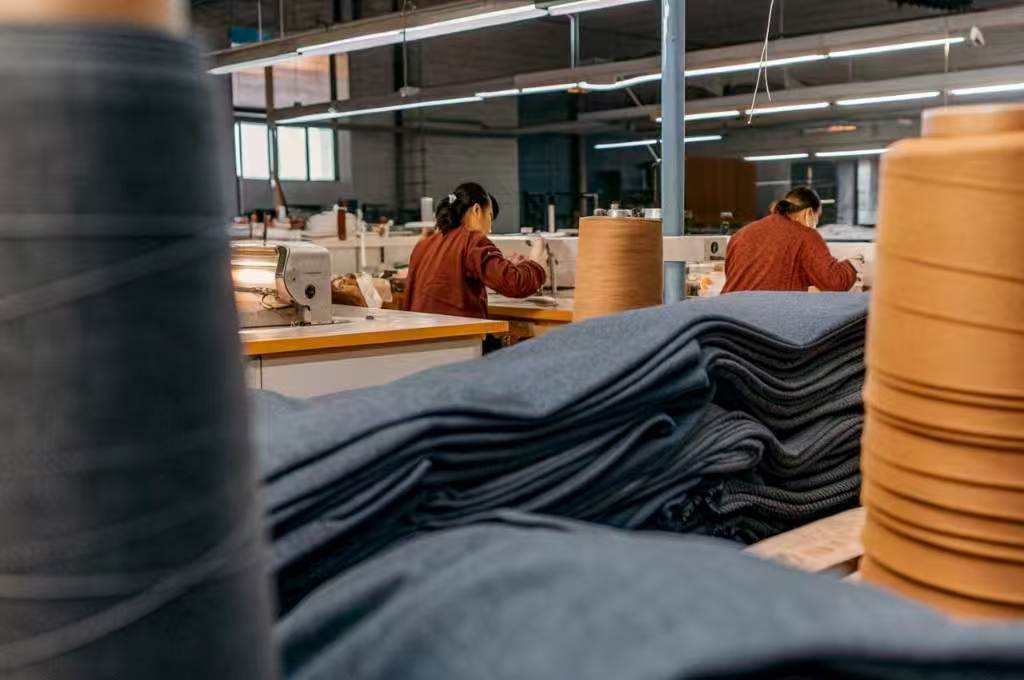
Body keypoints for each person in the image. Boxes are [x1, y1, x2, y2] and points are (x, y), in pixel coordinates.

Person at [404, 182, 547, 319]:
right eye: (490, 217)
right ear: (477, 210)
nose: (490, 229)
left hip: (421, 337)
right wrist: (536, 263)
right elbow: (514, 283)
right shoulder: (472, 240)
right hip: (455, 338)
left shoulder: (424, 244)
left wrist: (504, 265)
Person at [722, 186, 861, 293]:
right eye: (817, 216)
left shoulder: (740, 234)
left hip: (727, 318)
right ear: (809, 213)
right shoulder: (806, 236)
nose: (816, 222)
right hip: (765, 322)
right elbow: (834, 282)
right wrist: (853, 265)